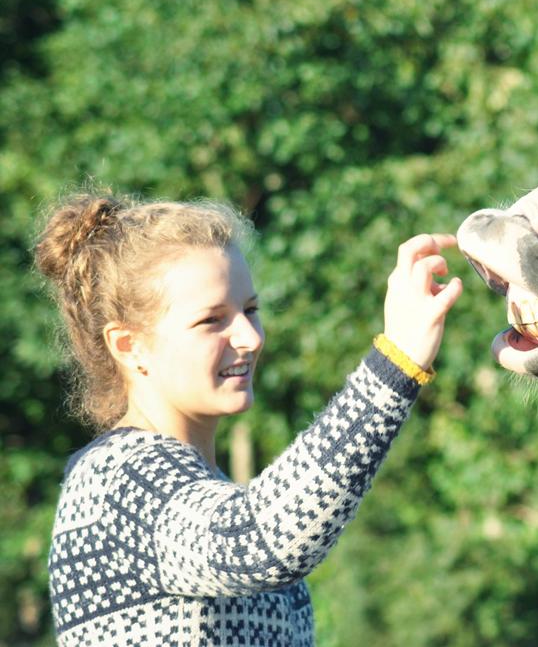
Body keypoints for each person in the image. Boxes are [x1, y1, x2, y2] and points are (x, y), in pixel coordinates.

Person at [34, 191, 462, 646]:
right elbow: (253, 540)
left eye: (250, 310)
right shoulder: (114, 480)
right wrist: (395, 363)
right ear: (129, 345)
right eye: (211, 320)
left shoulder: (198, 484)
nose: (249, 337)